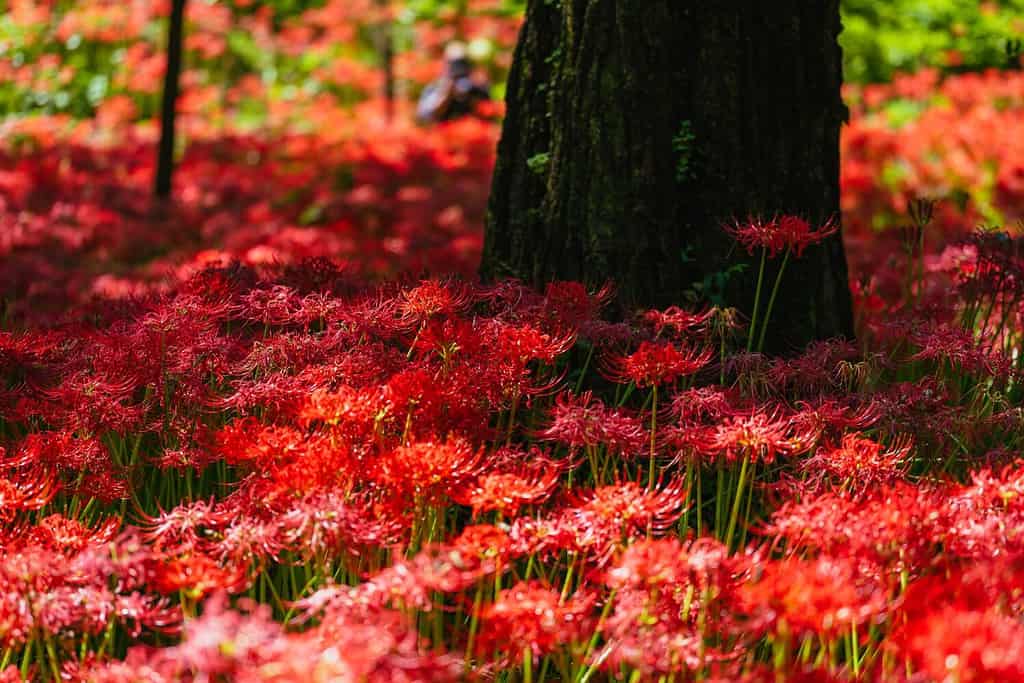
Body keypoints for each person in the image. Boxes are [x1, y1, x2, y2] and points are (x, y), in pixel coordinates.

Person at [416, 42, 491, 124]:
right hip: (444, 132)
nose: (458, 67)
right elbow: (426, 116)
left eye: (461, 62)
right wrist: (446, 94)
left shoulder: (475, 86)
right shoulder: (435, 87)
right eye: (454, 63)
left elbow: (487, 112)